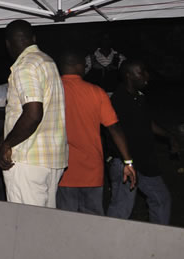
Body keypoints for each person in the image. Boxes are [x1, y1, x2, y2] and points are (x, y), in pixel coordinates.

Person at [0, 20, 67, 208]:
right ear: (33, 38)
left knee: (26, 224)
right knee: (44, 222)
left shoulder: (24, 66)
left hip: (28, 159)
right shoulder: (48, 61)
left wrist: (7, 144)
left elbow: (33, 113)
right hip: (51, 156)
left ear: (8, 44)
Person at [56, 50, 136, 215]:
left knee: (65, 224)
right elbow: (114, 128)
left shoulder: (51, 90)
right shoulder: (96, 92)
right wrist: (128, 161)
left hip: (61, 170)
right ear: (79, 66)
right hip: (91, 171)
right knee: (91, 225)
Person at [106, 59, 179, 224]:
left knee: (161, 199)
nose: (146, 76)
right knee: (121, 210)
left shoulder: (139, 97)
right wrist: (125, 161)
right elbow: (113, 132)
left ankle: (156, 241)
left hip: (144, 162)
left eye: (145, 71)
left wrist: (169, 136)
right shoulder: (118, 101)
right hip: (126, 164)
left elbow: (148, 123)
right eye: (141, 72)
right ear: (128, 75)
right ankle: (108, 243)